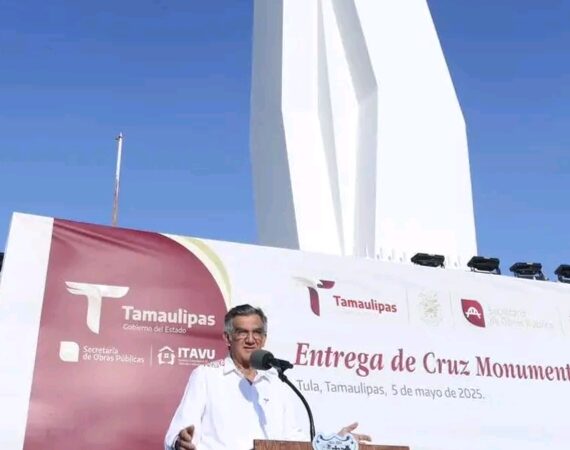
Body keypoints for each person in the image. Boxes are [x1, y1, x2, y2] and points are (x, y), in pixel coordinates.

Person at [164, 304, 371, 450]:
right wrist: (179, 442)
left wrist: (334, 442)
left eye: (257, 333)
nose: (250, 339)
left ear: (264, 339)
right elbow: (177, 433)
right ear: (227, 338)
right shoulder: (207, 376)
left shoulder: (276, 382)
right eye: (242, 332)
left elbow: (294, 440)